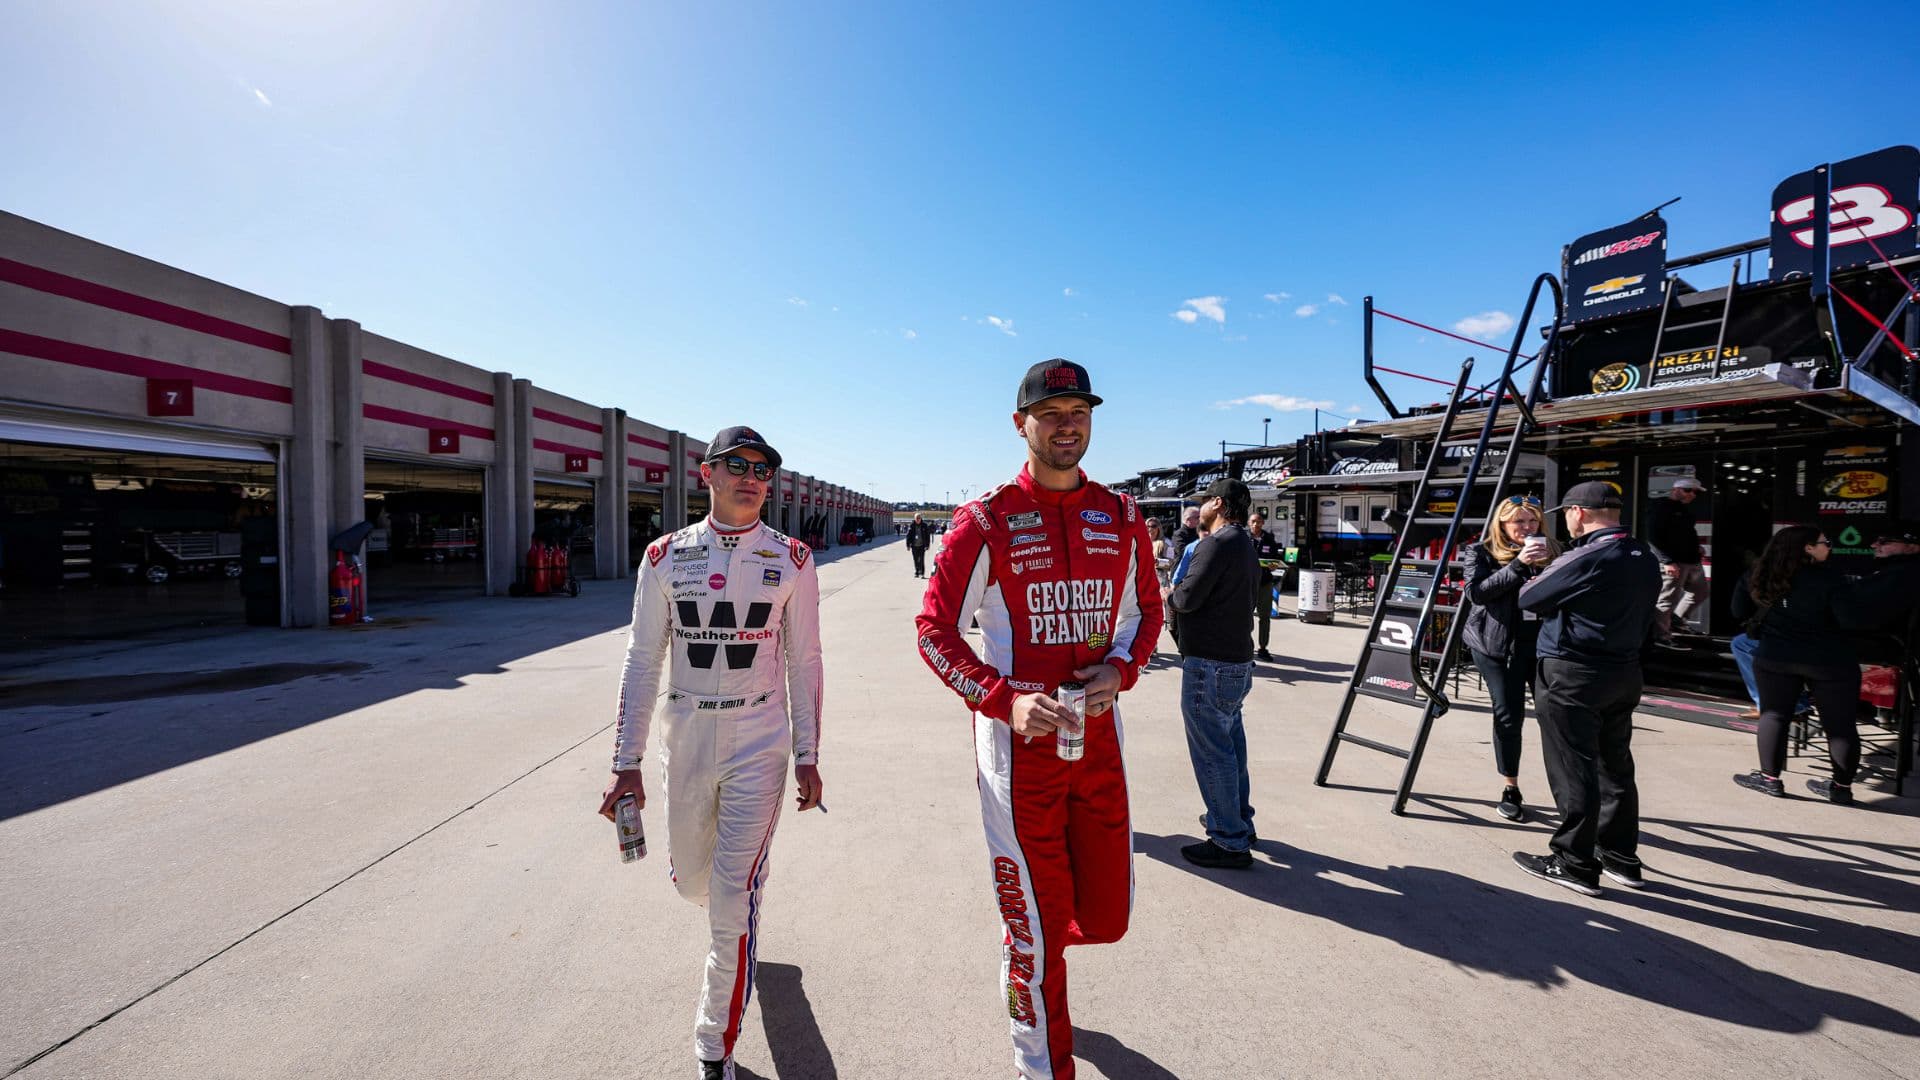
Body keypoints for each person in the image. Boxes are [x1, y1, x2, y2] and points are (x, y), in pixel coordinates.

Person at [915, 358, 1163, 1080]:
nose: (1067, 425)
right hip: (1017, 753)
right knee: (1038, 930)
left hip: (1097, 746)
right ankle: (1037, 1034)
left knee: (1108, 917)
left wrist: (1121, 670)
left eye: (1079, 412)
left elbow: (1146, 613)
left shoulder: (1120, 516)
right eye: (1051, 413)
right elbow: (934, 630)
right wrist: (1005, 700)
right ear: (1020, 424)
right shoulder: (985, 520)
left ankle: (1036, 948)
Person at [598, 425, 825, 1080]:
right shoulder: (665, 556)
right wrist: (626, 761)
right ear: (707, 474)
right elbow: (642, 661)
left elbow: (805, 662)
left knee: (729, 903)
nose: (751, 476)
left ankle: (713, 1047)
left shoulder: (796, 559)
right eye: (737, 464)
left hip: (760, 740)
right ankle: (742, 885)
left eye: (762, 468)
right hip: (688, 734)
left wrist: (808, 752)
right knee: (694, 884)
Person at [1512, 481, 1661, 897]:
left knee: (1573, 767)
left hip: (1574, 672)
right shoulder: (1643, 554)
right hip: (1624, 671)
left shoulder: (1588, 553)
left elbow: (1530, 597)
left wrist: (1531, 567)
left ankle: (1573, 862)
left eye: (1566, 515)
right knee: (1615, 766)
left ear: (1577, 512)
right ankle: (1620, 857)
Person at [1729, 526, 1867, 805]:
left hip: (1775, 656)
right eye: (1824, 542)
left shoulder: (1760, 575)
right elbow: (1850, 618)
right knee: (1840, 725)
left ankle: (1770, 780)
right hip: (1829, 659)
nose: (1829, 546)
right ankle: (1841, 787)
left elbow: (1738, 611)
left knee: (1774, 715)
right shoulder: (1832, 578)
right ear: (1807, 548)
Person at [1168, 477, 1259, 869]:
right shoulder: (1243, 543)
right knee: (1231, 747)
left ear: (1217, 504)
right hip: (1235, 661)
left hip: (1210, 663)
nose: (1200, 506)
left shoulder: (1216, 543)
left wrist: (1167, 594)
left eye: (1205, 500)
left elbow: (1187, 597)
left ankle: (1228, 839)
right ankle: (1238, 821)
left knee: (1213, 751)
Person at [1462, 495, 1559, 823]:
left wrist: (1548, 568)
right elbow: (1476, 592)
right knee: (1508, 715)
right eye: (1519, 521)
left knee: (1556, 717)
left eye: (1533, 521)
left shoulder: (1552, 550)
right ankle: (1510, 787)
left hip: (1542, 644)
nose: (1527, 527)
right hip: (1497, 646)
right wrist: (1518, 566)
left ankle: (1569, 792)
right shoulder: (1481, 551)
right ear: (1502, 523)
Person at [1645, 476, 1708, 646]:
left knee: (1700, 592)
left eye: (1695, 492)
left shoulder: (1684, 510)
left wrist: (1697, 547)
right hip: (1674, 562)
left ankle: (1677, 621)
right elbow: (1652, 537)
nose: (1692, 495)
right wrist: (1666, 561)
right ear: (1676, 490)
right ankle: (1661, 636)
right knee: (1666, 600)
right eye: (1688, 490)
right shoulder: (1660, 508)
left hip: (1692, 560)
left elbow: (1687, 533)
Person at [1247, 511, 1285, 662]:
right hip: (1247, 583)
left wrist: (1273, 565)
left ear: (1263, 523)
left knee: (1265, 617)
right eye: (1253, 521)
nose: (1256, 524)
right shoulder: (1243, 538)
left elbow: (1275, 558)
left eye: (1259, 521)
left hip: (1264, 582)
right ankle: (1245, 646)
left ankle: (1263, 647)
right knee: (1245, 616)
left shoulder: (1269, 538)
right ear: (1249, 523)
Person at [1166, 506, 1201, 648]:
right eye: (1197, 517)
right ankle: (1183, 646)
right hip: (1179, 580)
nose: (1200, 520)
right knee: (1174, 620)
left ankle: (1188, 646)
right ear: (1188, 520)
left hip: (1193, 578)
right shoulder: (1179, 534)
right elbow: (1181, 553)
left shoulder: (1200, 533)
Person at [905, 512, 934, 578]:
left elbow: (927, 536)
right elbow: (908, 536)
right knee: (915, 559)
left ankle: (922, 573)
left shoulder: (924, 525)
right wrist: (908, 545)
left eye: (919, 518)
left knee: (921, 559)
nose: (918, 519)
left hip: (922, 546)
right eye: (917, 518)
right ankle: (917, 572)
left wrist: (927, 545)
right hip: (914, 546)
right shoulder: (912, 525)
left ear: (921, 518)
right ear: (914, 519)